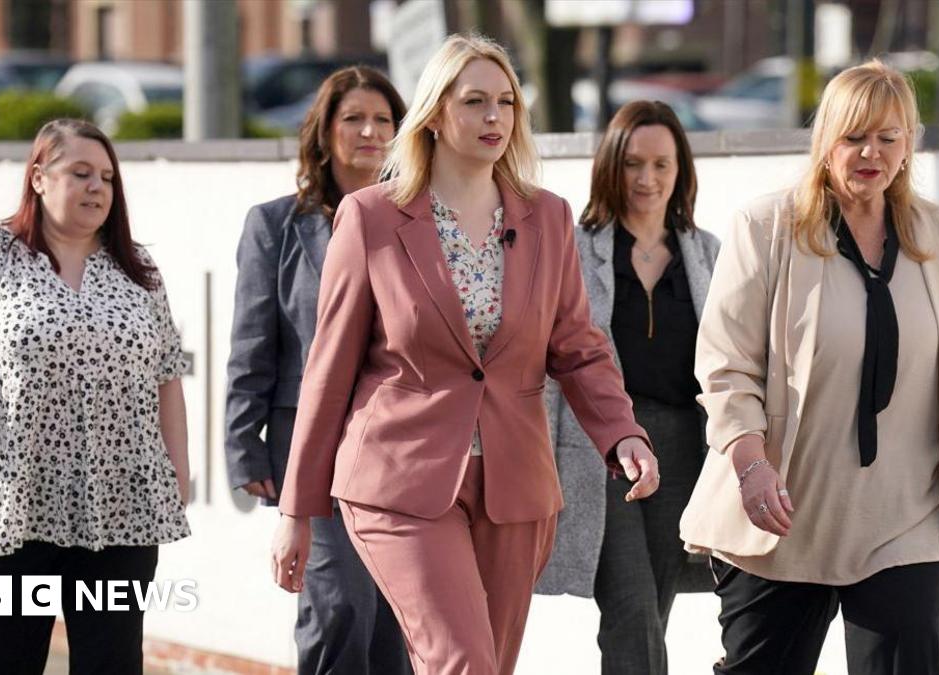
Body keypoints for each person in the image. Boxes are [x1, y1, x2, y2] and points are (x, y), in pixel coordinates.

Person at [269, 34, 659, 675]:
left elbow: (579, 348)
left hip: (515, 481)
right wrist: (297, 511)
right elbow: (329, 370)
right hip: (399, 479)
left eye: (506, 102)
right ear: (434, 113)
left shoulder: (548, 218)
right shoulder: (371, 217)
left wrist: (622, 435)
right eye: (475, 100)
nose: (494, 117)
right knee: (462, 662)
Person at [679, 61, 939, 675]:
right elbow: (727, 367)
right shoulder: (768, 227)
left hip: (906, 520)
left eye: (889, 138)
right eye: (854, 136)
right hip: (785, 515)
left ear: (909, 144)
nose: (872, 153)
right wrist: (750, 464)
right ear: (826, 141)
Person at [0, 118, 190, 675]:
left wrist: (178, 469)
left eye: (107, 177)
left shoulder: (139, 271)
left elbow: (167, 377)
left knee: (110, 665)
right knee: (0, 663)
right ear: (38, 178)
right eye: (80, 173)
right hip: (10, 505)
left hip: (121, 505)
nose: (97, 188)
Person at [224, 65, 411, 675]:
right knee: (337, 611)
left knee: (397, 621)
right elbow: (252, 343)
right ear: (324, 131)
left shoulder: (420, 222)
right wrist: (244, 450)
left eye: (383, 120)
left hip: (401, 441)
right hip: (309, 445)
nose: (370, 132)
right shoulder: (275, 225)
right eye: (353, 118)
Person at [535, 100, 718, 674]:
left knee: (654, 605)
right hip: (602, 446)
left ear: (680, 171)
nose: (648, 179)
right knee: (631, 601)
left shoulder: (706, 253)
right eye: (634, 163)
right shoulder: (574, 245)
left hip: (683, 447)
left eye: (662, 165)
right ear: (610, 167)